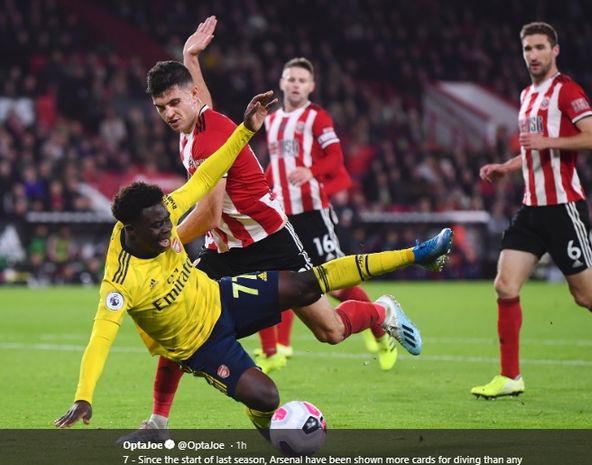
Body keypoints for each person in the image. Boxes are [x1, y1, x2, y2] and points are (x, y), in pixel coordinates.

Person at [54, 91, 454, 432]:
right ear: (133, 232)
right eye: (159, 228)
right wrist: (83, 397)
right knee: (267, 396)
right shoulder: (120, 282)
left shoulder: (160, 210)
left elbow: (205, 176)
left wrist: (246, 129)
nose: (168, 231)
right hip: (201, 344)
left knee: (308, 285)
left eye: (167, 221)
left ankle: (415, 256)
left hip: (220, 295)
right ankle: (209, 425)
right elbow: (98, 343)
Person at [123, 17, 381, 439]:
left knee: (330, 331)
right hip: (224, 251)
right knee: (180, 317)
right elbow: (200, 101)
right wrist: (190, 56)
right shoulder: (195, 123)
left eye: (173, 104)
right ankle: (157, 423)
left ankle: (382, 311)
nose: (169, 114)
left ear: (189, 97)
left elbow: (206, 214)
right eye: (160, 109)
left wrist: (168, 241)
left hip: (269, 239)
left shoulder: (207, 140)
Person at [474, 22, 592, 399]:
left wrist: (549, 140)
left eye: (540, 47)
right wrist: (507, 167)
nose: (533, 55)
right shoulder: (526, 96)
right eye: (527, 48)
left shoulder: (567, 91)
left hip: (563, 207)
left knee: (586, 295)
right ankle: (510, 376)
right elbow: (534, 150)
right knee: (505, 285)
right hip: (532, 208)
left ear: (555, 50)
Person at [263, 57, 395, 371]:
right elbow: (275, 165)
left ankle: (380, 329)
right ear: (281, 83)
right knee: (281, 279)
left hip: (312, 213)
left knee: (335, 284)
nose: (295, 84)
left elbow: (336, 160)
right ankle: (277, 350)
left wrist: (311, 171)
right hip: (282, 214)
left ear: (311, 86)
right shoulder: (271, 121)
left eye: (301, 80)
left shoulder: (317, 118)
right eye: (290, 78)